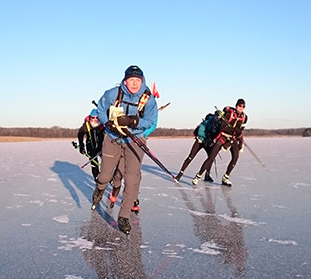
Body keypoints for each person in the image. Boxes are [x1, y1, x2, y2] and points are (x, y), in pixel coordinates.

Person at [91, 65, 159, 235]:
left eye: (138, 80)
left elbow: (151, 121)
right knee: (106, 175)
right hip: (112, 139)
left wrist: (134, 122)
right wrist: (106, 122)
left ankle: (124, 216)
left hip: (134, 139)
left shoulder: (148, 99)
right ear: (125, 80)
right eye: (131, 80)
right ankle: (99, 189)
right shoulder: (112, 94)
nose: (134, 84)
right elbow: (101, 109)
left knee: (132, 178)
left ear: (142, 81)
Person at [191, 98, 247, 187]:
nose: (241, 108)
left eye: (243, 106)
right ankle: (198, 175)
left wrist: (236, 133)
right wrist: (233, 129)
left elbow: (240, 131)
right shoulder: (229, 114)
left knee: (235, 157)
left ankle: (226, 177)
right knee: (211, 157)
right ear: (236, 105)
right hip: (223, 136)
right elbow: (222, 128)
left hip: (233, 138)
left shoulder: (244, 117)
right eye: (240, 106)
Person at [175, 110, 221, 182]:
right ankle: (179, 175)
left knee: (211, 158)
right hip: (200, 141)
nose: (217, 118)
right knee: (191, 157)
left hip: (207, 143)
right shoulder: (207, 122)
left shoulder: (218, 124)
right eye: (217, 116)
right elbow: (200, 131)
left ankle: (207, 175)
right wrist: (206, 137)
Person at [76, 109, 104, 179]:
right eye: (93, 117)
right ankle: (97, 179)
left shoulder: (103, 125)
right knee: (94, 164)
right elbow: (80, 134)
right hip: (91, 148)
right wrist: (81, 146)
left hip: (102, 148)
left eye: (97, 118)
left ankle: (107, 179)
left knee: (106, 164)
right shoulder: (86, 125)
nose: (95, 119)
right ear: (90, 117)